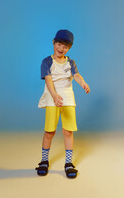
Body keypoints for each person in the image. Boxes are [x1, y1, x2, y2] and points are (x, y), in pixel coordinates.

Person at [35, 30, 90, 179]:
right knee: (49, 131)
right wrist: (54, 95)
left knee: (68, 131)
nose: (61, 48)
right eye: (59, 44)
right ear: (54, 43)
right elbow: (48, 79)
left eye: (65, 46)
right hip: (53, 99)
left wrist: (82, 83)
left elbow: (76, 75)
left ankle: (68, 163)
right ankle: (44, 160)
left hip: (68, 100)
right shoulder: (47, 61)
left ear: (69, 48)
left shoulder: (70, 62)